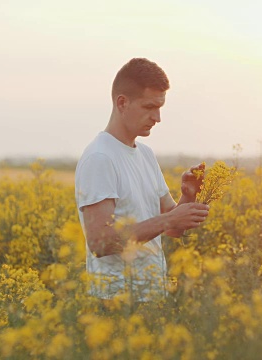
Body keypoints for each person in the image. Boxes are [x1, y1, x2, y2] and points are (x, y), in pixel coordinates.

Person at [75, 58, 210, 303]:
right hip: (115, 304)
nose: (157, 117)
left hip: (152, 300)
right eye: (149, 107)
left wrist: (187, 196)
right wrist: (169, 218)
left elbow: (173, 229)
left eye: (160, 108)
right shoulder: (100, 158)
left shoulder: (145, 154)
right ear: (122, 103)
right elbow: (100, 243)